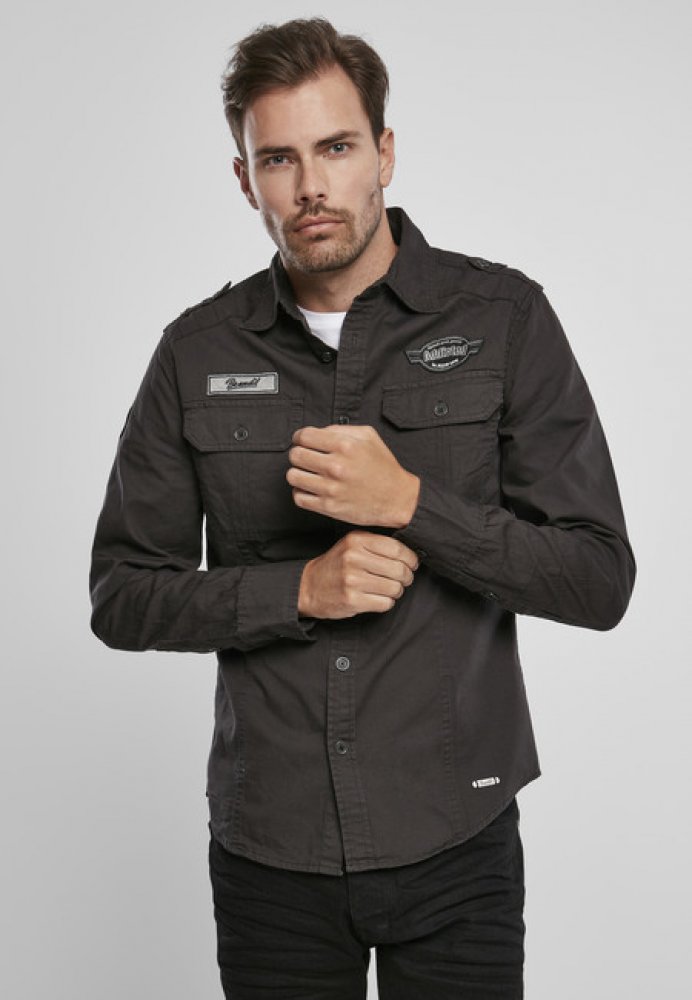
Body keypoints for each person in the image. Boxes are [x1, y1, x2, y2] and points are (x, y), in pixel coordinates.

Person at [89, 16, 635, 999]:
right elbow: (122, 596)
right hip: (271, 853)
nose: (310, 186)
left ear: (383, 152)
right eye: (278, 159)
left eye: (335, 148)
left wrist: (413, 504)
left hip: (458, 839)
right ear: (245, 179)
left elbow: (598, 579)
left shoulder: (503, 320)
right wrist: (297, 590)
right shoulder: (196, 353)